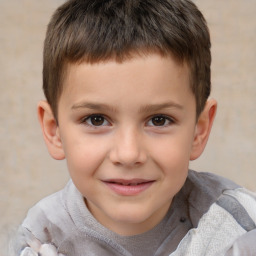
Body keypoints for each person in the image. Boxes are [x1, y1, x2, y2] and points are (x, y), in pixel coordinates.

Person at [11, 0, 256, 255]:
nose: (128, 154)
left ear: (199, 129)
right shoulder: (40, 241)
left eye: (159, 120)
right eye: (96, 119)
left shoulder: (239, 228)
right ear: (54, 130)